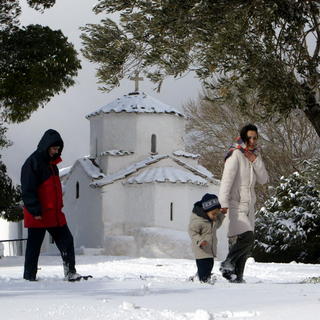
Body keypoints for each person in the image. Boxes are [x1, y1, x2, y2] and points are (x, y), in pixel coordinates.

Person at [21, 129, 81, 281]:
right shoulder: (32, 163)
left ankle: (70, 273)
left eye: (58, 149)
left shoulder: (52, 165)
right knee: (34, 248)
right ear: (46, 146)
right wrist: (35, 209)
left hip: (54, 213)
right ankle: (29, 276)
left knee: (67, 241)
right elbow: (28, 189)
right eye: (54, 148)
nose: (56, 152)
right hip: (39, 214)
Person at [219, 124, 269, 283]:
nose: (253, 141)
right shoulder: (235, 155)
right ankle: (228, 262)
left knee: (247, 243)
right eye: (250, 137)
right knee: (247, 237)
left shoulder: (254, 156)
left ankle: (237, 276)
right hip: (235, 205)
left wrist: (255, 161)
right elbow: (226, 181)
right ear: (243, 137)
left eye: (255, 137)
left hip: (249, 206)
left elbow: (264, 179)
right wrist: (223, 203)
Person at [188, 193, 225, 283]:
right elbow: (192, 232)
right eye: (214, 214)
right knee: (204, 266)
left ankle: (199, 277)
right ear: (206, 210)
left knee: (209, 265)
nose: (215, 216)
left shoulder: (211, 219)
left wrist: (221, 214)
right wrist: (200, 241)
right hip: (201, 249)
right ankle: (203, 281)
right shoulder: (198, 220)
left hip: (209, 248)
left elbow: (217, 225)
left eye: (217, 214)